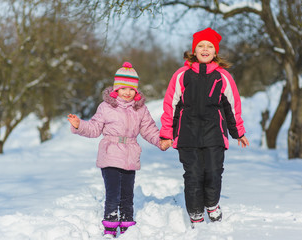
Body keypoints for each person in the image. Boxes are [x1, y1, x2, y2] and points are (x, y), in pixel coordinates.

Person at [159, 28, 249, 228]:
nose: (205, 49)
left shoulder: (222, 77)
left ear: (215, 52)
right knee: (193, 175)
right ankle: (196, 213)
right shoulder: (182, 75)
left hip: (214, 135)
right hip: (187, 135)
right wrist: (167, 134)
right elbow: (170, 105)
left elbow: (232, 106)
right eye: (201, 45)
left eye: (209, 46)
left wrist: (238, 132)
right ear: (194, 50)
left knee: (213, 172)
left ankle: (211, 204)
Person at [68, 62, 163, 238]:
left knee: (127, 194)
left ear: (136, 90)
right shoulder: (106, 107)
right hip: (110, 154)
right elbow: (94, 128)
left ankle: (127, 225)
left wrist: (161, 141)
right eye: (123, 88)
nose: (127, 92)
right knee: (113, 193)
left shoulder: (140, 109)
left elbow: (149, 129)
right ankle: (110, 226)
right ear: (116, 89)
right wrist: (79, 125)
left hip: (130, 156)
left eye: (131, 89)